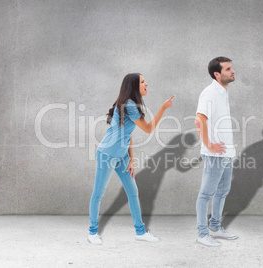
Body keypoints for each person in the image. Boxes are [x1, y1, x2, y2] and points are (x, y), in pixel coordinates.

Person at [88, 73, 174, 245]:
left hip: (121, 156)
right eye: (143, 82)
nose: (146, 83)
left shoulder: (130, 104)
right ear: (134, 86)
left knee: (133, 192)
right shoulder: (129, 105)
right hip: (107, 154)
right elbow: (149, 129)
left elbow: (128, 134)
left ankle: (140, 232)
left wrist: (131, 160)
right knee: (98, 193)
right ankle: (92, 232)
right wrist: (163, 108)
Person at [194, 57, 238, 247]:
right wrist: (210, 146)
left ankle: (215, 227)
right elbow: (199, 121)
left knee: (223, 191)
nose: (233, 71)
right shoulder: (210, 93)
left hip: (226, 152)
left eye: (231, 67)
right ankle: (202, 234)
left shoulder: (222, 91)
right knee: (206, 194)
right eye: (228, 69)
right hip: (215, 154)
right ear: (217, 74)